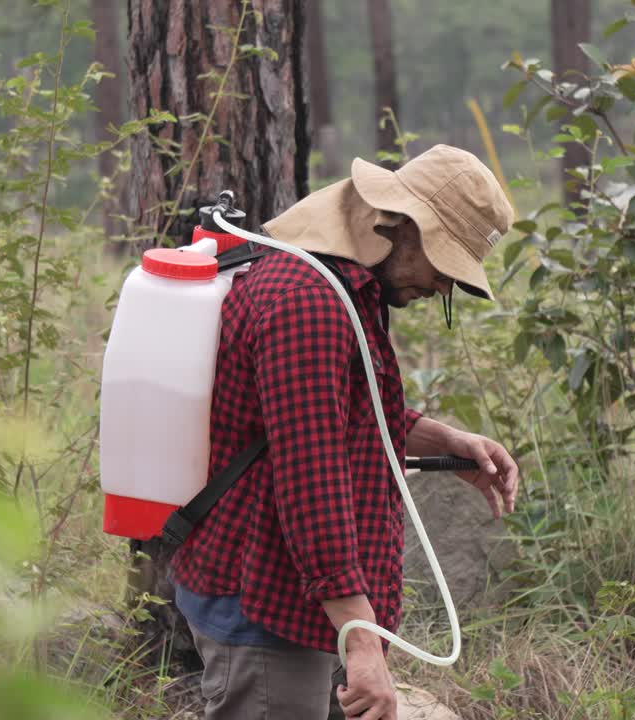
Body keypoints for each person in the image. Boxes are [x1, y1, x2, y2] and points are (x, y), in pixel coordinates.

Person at [169, 144, 520, 720]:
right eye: (443, 267)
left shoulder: (347, 288)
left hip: (306, 599)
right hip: (263, 599)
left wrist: (443, 442)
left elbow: (337, 415)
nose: (441, 289)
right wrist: (361, 642)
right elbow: (311, 478)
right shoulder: (308, 302)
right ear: (401, 226)